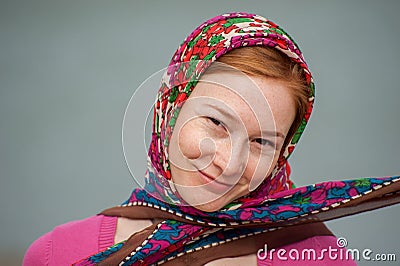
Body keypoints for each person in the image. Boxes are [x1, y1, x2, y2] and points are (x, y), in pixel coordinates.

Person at [23, 12, 399, 266]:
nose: (230, 163)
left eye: (261, 142)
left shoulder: (318, 256)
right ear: (169, 112)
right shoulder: (56, 253)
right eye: (217, 123)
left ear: (284, 153)